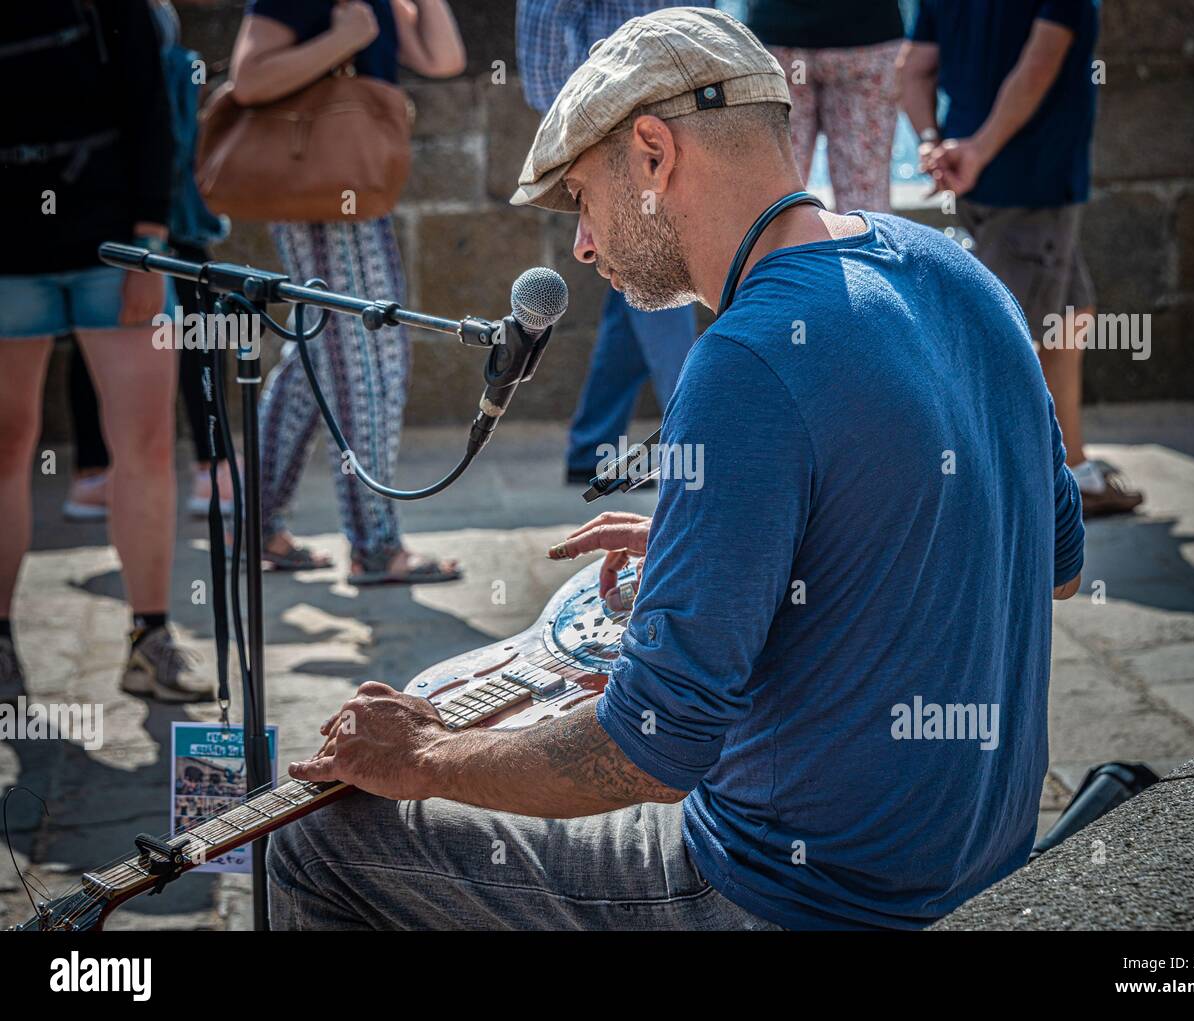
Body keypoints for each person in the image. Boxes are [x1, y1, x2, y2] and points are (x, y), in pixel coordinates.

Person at [266, 8, 1084, 931]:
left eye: (581, 194)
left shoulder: (746, 356)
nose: (580, 243)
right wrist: (756, 537)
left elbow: (649, 750)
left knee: (318, 845)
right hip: (983, 862)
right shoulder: (960, 274)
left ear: (652, 154)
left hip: (791, 893)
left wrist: (428, 753)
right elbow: (1052, 566)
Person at [0, 0, 212, 704]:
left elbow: (154, 111)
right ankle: (0, 642)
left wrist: (148, 246)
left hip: (116, 245)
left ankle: (150, 636)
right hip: (10, 257)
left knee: (148, 445)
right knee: (5, 448)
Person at [228, 0, 466, 583]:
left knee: (316, 354)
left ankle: (256, 525)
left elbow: (443, 58)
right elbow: (249, 79)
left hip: (353, 184)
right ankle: (375, 546)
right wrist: (345, 38)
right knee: (369, 355)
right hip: (324, 188)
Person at [898, 0, 1143, 518]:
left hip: (976, 173)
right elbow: (1039, 64)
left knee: (1071, 318)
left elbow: (913, 68)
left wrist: (931, 143)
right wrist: (981, 151)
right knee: (998, 344)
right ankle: (976, 500)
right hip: (1032, 180)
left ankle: (1074, 471)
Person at [63, 0, 237, 525]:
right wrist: (153, 228)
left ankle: (92, 475)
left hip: (101, 210)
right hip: (153, 211)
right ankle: (211, 469)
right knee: (201, 323)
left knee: (93, 335)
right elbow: (154, 120)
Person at [516, 0, 701, 485]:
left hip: (672, 125)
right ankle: (694, 446)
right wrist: (585, 131)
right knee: (659, 270)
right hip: (624, 134)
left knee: (637, 297)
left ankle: (591, 447)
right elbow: (544, 20)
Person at [746, 0, 903, 213]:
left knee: (773, 193)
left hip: (780, 36)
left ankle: (771, 244)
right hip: (866, 38)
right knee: (865, 195)